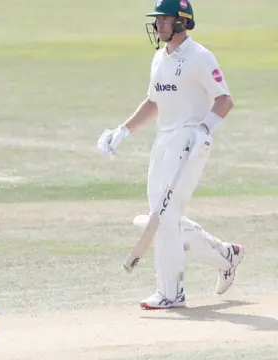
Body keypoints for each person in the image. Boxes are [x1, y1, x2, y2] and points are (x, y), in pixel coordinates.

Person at [97, 0, 245, 310]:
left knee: (163, 216)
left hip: (191, 141)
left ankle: (171, 292)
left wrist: (204, 129)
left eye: (165, 19)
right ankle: (226, 255)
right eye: (157, 20)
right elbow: (154, 102)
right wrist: (122, 131)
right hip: (163, 140)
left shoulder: (200, 57)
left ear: (182, 21)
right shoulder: (159, 58)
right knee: (164, 215)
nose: (159, 24)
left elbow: (225, 100)